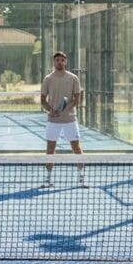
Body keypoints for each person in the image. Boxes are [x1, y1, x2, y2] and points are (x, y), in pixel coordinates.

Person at [39, 51, 84, 188]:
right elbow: (42, 99)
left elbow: (77, 99)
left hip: (70, 119)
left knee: (76, 147)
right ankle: (48, 179)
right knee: (50, 149)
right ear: (54, 62)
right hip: (53, 121)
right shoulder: (48, 79)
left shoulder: (73, 78)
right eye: (57, 60)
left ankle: (81, 178)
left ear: (66, 62)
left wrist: (65, 110)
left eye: (62, 60)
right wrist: (50, 110)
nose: (60, 62)